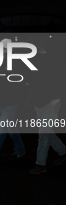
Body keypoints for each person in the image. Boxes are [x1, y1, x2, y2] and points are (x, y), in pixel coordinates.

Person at [29, 41, 66, 174]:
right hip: (38, 102)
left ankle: (40, 164)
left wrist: (60, 99)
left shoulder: (56, 61)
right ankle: (62, 151)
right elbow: (33, 80)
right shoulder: (35, 61)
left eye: (40, 49)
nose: (38, 52)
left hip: (51, 103)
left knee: (44, 134)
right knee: (46, 132)